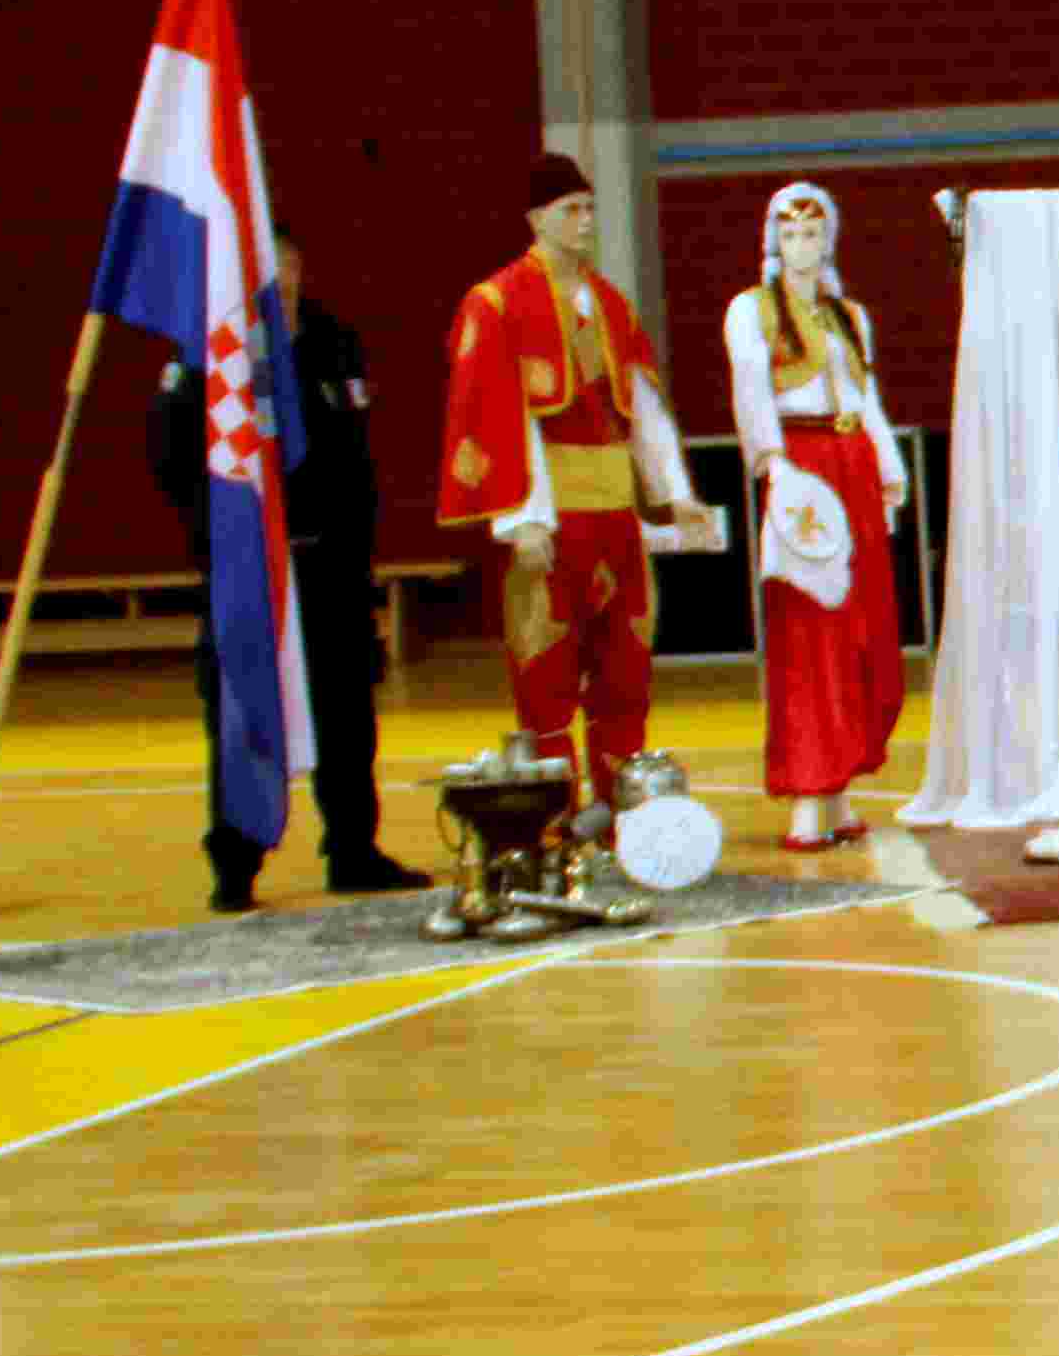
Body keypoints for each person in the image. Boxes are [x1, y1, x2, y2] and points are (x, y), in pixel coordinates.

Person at [435, 153, 717, 821]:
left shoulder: (612, 304)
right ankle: (554, 829)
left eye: (590, 208)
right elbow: (498, 419)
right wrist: (522, 519)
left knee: (626, 678)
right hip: (552, 518)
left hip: (618, 519)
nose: (586, 221)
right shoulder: (497, 302)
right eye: (571, 210)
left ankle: (625, 821)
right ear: (536, 218)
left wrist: (675, 493)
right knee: (548, 679)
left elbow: (643, 408)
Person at [147, 238, 422, 911]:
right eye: (264, 267)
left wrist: (357, 544)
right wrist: (219, 536)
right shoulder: (212, 351)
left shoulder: (334, 341)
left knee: (347, 713)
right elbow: (171, 457)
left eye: (288, 265)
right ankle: (234, 864)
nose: (279, 279)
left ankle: (352, 850)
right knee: (240, 711)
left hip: (329, 561)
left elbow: (356, 455)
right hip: (247, 567)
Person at [727, 180, 914, 849]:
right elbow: (752, 393)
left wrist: (889, 468)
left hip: (853, 464)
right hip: (803, 470)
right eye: (788, 234)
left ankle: (839, 789)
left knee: (860, 626)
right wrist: (774, 467)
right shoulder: (751, 311)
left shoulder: (848, 316)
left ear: (828, 239)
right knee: (809, 629)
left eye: (811, 233)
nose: (800, 246)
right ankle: (808, 789)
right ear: (772, 241)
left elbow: (867, 402)